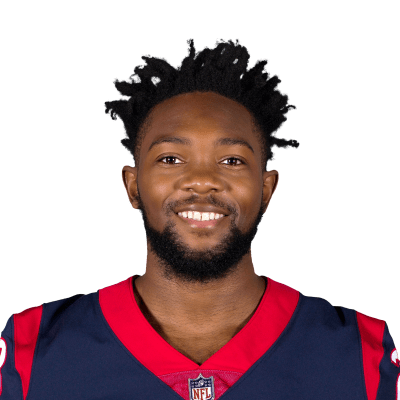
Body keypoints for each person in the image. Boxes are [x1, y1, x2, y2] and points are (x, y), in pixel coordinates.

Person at [0, 38, 398, 400]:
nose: (203, 181)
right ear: (133, 185)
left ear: (266, 189)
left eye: (232, 160)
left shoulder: (362, 355)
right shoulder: (31, 351)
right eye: (170, 159)